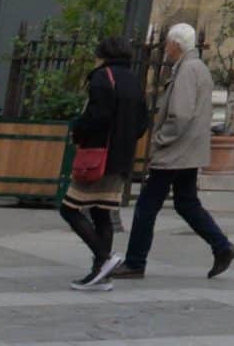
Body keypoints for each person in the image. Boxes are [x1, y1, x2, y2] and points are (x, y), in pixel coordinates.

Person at [108, 23, 234, 282]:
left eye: (167, 43)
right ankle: (221, 246)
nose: (165, 48)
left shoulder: (187, 69)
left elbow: (181, 113)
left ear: (176, 45)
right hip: (189, 150)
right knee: (186, 202)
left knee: (146, 206)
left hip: (176, 150)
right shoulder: (197, 67)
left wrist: (161, 139)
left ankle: (135, 262)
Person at [60, 36, 150, 290]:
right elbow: (142, 122)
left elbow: (96, 115)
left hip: (98, 156)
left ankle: (104, 259)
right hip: (122, 158)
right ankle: (102, 275)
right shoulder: (134, 81)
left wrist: (77, 131)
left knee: (70, 209)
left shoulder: (102, 77)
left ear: (102, 55)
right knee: (101, 212)